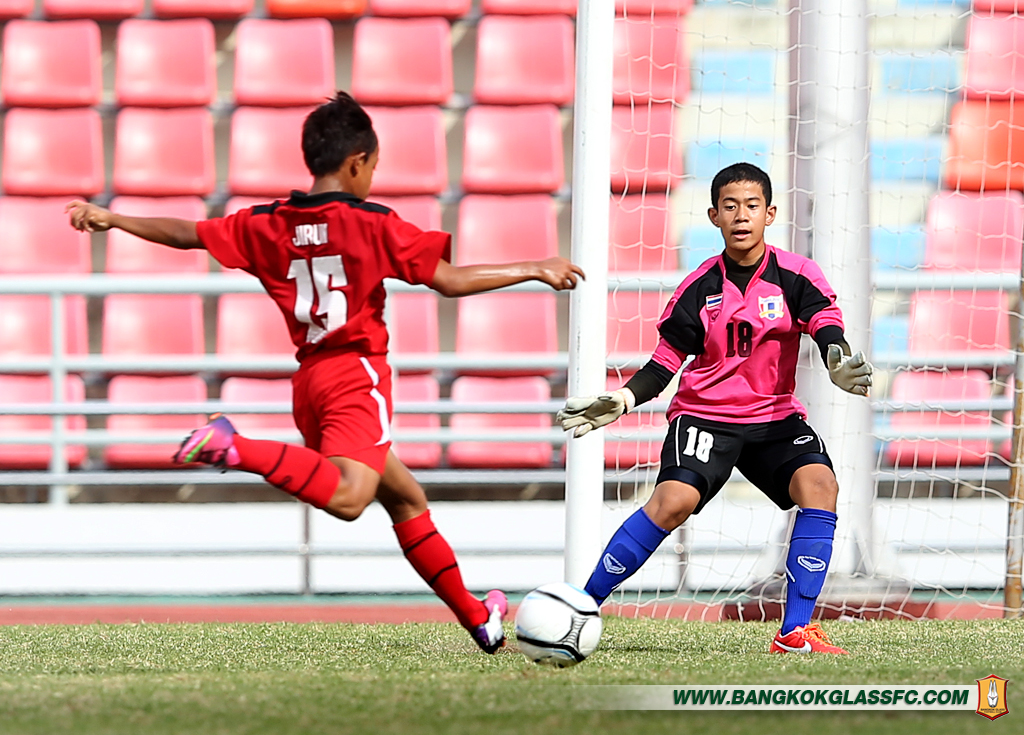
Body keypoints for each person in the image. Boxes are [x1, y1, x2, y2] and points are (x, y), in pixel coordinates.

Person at [68, 91, 585, 655]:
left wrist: (115, 218)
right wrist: (535, 267)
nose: (373, 177)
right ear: (357, 162)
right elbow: (449, 279)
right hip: (356, 375)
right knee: (348, 498)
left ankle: (479, 618)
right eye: (374, 167)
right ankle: (235, 446)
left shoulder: (268, 223)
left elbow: (189, 232)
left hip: (310, 382)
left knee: (406, 499)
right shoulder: (371, 223)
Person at [557, 163, 872, 655]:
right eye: (730, 206)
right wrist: (623, 398)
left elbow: (825, 322)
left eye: (751, 206)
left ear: (770, 214)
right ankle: (578, 609)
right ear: (713, 216)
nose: (741, 216)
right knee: (672, 502)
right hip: (706, 417)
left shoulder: (796, 274)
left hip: (773, 417)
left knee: (820, 486)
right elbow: (664, 363)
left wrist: (837, 357)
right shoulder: (699, 286)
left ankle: (794, 632)